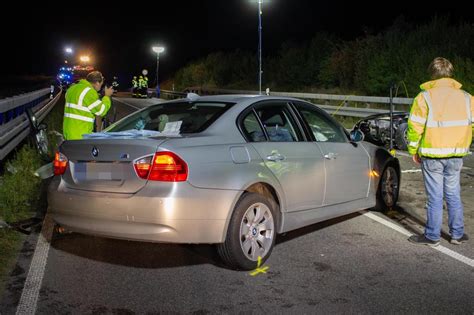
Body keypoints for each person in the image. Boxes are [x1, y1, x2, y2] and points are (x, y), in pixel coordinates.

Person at [407, 57, 473, 246]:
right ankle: (457, 234)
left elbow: (415, 127)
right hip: (456, 154)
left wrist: (414, 149)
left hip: (432, 154)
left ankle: (432, 236)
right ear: (450, 73)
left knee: (435, 196)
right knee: (453, 193)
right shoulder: (467, 97)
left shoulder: (424, 97)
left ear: (432, 74)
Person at [63, 71, 113, 140]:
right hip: (80, 134)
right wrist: (107, 96)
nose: (101, 87)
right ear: (97, 83)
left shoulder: (72, 88)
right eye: (101, 84)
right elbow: (101, 111)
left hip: (68, 131)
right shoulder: (89, 91)